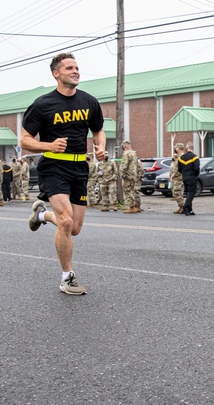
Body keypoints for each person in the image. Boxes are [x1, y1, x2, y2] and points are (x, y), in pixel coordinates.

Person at [21, 52, 106, 296]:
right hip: (53, 167)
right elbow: (25, 140)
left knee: (75, 228)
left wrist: (100, 146)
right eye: (69, 68)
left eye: (77, 67)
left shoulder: (89, 101)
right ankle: (67, 277)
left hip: (80, 167)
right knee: (66, 221)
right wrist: (48, 145)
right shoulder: (43, 104)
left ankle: (42, 215)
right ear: (56, 74)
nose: (75, 71)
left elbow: (98, 130)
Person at [120, 139, 143, 213]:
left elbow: (124, 165)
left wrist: (122, 174)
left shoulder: (126, 154)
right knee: (132, 190)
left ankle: (132, 207)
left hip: (128, 175)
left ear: (124, 145)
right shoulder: (134, 153)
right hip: (133, 175)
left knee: (127, 190)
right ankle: (136, 206)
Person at [178, 143, 200, 216]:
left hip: (184, 177)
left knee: (188, 193)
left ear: (186, 148)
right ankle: (186, 208)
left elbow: (179, 169)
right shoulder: (195, 157)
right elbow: (197, 168)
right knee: (191, 193)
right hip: (192, 177)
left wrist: (184, 173)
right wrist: (195, 175)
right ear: (192, 149)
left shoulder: (181, 158)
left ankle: (190, 210)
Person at [169, 143, 185, 213]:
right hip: (175, 177)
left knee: (177, 192)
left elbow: (178, 168)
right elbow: (173, 167)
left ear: (178, 148)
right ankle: (181, 207)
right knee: (176, 192)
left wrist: (174, 175)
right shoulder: (177, 157)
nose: (175, 149)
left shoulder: (182, 157)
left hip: (179, 177)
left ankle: (183, 206)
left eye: (176, 148)